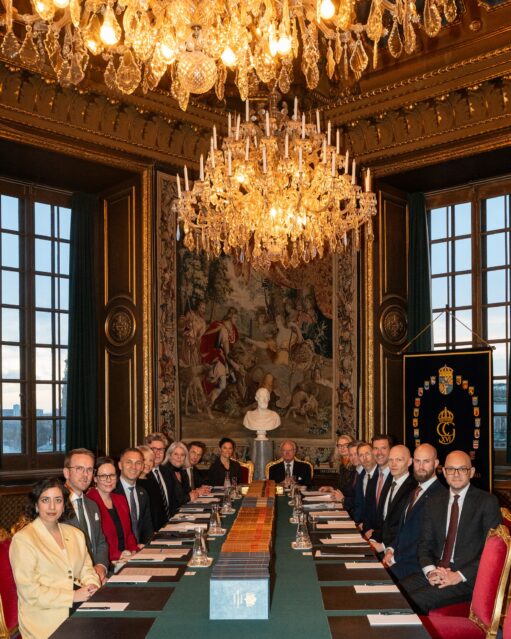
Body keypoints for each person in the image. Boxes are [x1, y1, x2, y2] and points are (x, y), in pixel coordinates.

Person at [400, 450, 501, 614]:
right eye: (451, 469)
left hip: (466, 578)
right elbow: (424, 544)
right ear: (444, 472)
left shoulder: (486, 502)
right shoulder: (434, 501)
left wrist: (459, 575)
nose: (456, 474)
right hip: (437, 570)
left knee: (412, 601)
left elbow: (491, 552)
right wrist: (430, 571)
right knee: (393, 592)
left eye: (462, 469)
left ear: (472, 472)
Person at [10, 478, 101, 639]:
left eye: (58, 500)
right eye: (45, 500)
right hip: (44, 620)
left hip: (79, 608)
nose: (52, 507)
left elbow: (86, 569)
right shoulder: (23, 540)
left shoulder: (75, 534)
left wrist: (92, 584)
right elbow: (30, 592)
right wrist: (72, 596)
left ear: (64, 505)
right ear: (36, 505)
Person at [383, 443, 446, 580]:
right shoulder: (415, 491)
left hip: (417, 567)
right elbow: (403, 528)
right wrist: (390, 549)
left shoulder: (441, 496)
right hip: (399, 560)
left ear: (436, 463)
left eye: (426, 461)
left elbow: (425, 540)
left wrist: (395, 558)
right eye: (417, 461)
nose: (421, 466)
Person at [63, 448, 108, 583]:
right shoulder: (56, 506)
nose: (85, 475)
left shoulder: (92, 505)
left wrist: (101, 566)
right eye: (79, 469)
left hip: (96, 576)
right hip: (70, 581)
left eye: (89, 470)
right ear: (66, 472)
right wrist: (88, 577)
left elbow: (101, 542)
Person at [86, 457, 139, 564]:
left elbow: (129, 534)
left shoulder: (120, 499)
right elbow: (94, 543)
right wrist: (119, 555)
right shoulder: (89, 502)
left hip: (127, 558)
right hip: (105, 563)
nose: (109, 480)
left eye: (112, 475)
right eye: (103, 476)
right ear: (95, 479)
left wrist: (134, 550)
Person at [368, 445, 416, 552]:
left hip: (398, 550)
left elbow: (408, 526)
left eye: (398, 460)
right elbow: (383, 520)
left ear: (409, 462)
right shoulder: (388, 482)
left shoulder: (414, 488)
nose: (393, 464)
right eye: (391, 460)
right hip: (380, 544)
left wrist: (384, 546)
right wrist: (373, 540)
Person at [113, 447, 154, 545]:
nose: (134, 467)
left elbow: (147, 527)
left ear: (142, 466)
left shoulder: (142, 493)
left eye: (138, 463)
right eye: (129, 462)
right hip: (120, 550)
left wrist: (146, 548)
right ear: (120, 465)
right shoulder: (111, 491)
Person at [361, 434, 394, 538]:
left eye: (383, 448)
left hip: (387, 539)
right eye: (376, 448)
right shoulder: (373, 479)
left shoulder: (396, 479)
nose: (379, 453)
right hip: (370, 537)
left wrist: (375, 535)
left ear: (390, 450)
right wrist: (367, 530)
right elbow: (367, 511)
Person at [141, 433, 174, 530]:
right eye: (153, 449)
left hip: (169, 524)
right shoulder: (141, 476)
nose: (157, 453)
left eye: (161, 450)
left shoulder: (167, 472)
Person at [164, 441, 199, 515]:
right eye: (176, 454)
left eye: (182, 455)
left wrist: (194, 493)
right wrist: (189, 497)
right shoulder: (165, 472)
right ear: (169, 455)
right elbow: (171, 501)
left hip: (184, 511)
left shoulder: (182, 472)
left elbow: (188, 492)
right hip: (171, 515)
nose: (179, 457)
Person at [352, 441, 376, 524]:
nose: (364, 458)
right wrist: (356, 523)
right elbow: (359, 504)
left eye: (367, 454)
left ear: (374, 454)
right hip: (360, 523)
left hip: (374, 526)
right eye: (361, 455)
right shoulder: (361, 476)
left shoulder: (381, 476)